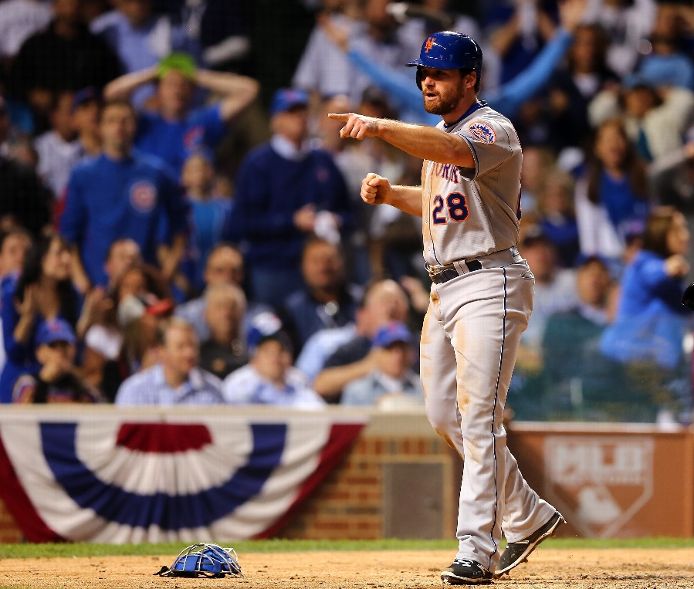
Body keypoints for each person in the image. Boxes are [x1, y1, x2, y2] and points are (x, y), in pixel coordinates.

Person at [328, 31, 562, 583]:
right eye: (424, 73)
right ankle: (526, 514)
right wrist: (393, 195)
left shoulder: (491, 128)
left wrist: (379, 127)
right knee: (442, 415)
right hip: (445, 287)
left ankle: (476, 549)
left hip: (490, 281)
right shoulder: (439, 137)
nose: (427, 82)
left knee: (479, 418)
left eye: (440, 73)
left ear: (470, 80)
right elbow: (443, 202)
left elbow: (456, 154)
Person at [230, 88, 352, 308]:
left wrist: (336, 220)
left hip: (323, 268)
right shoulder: (258, 164)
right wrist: (292, 221)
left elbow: (350, 213)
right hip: (274, 267)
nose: (300, 117)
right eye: (291, 112)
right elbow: (244, 222)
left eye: (303, 111)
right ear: (276, 120)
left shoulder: (323, 160)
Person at [60, 99, 190, 288]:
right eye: (111, 121)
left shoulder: (157, 173)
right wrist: (83, 283)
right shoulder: (82, 175)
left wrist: (167, 272)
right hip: (98, 284)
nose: (119, 127)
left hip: (145, 283)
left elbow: (182, 226)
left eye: (125, 120)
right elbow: (69, 236)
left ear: (135, 126)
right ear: (101, 128)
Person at [103, 52, 259, 175]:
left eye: (183, 85)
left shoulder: (203, 121)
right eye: (170, 84)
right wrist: (154, 73)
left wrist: (196, 74)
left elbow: (249, 90)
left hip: (189, 200)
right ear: (158, 91)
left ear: (193, 91)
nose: (177, 91)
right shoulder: (144, 123)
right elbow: (112, 94)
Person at [115, 318, 225, 405]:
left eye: (193, 346)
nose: (189, 353)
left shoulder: (213, 390)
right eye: (181, 347)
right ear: (162, 351)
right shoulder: (134, 390)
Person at [222, 320, 324, 409]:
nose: (275, 357)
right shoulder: (238, 383)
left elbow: (317, 412)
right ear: (254, 357)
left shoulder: (298, 380)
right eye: (268, 351)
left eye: (281, 350)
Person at [283, 236, 361, 350]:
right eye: (315, 261)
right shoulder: (292, 311)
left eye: (329, 260)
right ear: (303, 266)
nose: (323, 267)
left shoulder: (362, 300)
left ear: (343, 262)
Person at [12, 318, 102, 403]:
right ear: (39, 353)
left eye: (64, 345)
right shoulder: (27, 383)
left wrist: (77, 380)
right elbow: (23, 411)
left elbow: (97, 408)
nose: (60, 351)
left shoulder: (83, 386)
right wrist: (44, 381)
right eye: (53, 345)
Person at [342, 321, 423, 407]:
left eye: (402, 348)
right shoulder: (357, 392)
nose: (398, 356)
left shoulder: (423, 388)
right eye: (389, 349)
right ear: (376, 353)